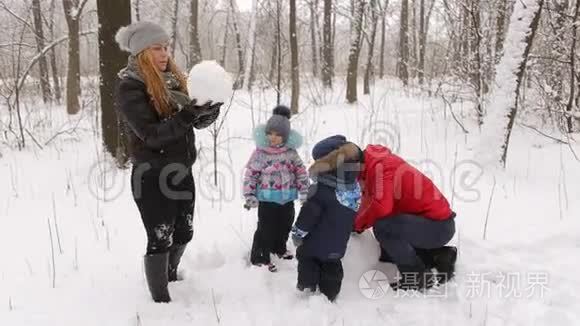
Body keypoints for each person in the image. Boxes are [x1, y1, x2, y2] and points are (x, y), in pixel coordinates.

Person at [115, 21, 222, 302]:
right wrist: (188, 113)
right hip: (151, 175)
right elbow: (151, 135)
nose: (164, 54)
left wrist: (209, 108)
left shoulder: (175, 81)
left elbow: (194, 123)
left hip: (180, 170)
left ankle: (170, 275)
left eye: (166, 47)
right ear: (141, 53)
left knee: (184, 232)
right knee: (161, 236)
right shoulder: (130, 87)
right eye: (156, 48)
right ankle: (161, 301)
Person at [309, 140, 457, 291]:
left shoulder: (381, 168)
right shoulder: (369, 165)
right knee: (388, 249)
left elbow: (381, 208)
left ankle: (417, 277)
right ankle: (440, 255)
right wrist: (354, 221)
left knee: (383, 228)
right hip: (424, 224)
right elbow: (368, 202)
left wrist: (357, 224)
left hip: (438, 227)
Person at [291, 135, 361, 302]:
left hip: (316, 241)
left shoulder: (320, 191)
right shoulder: (354, 190)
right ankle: (330, 293)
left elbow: (308, 215)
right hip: (338, 243)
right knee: (332, 264)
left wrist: (297, 233)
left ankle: (307, 287)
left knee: (306, 256)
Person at [243, 106, 309, 272]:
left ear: (285, 136)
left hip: (287, 198)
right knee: (265, 228)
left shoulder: (291, 153)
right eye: (270, 133)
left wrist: (304, 191)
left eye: (278, 134)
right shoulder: (261, 153)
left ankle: (278, 248)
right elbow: (251, 174)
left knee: (284, 225)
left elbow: (301, 172)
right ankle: (260, 257)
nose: (273, 137)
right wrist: (249, 194)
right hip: (266, 199)